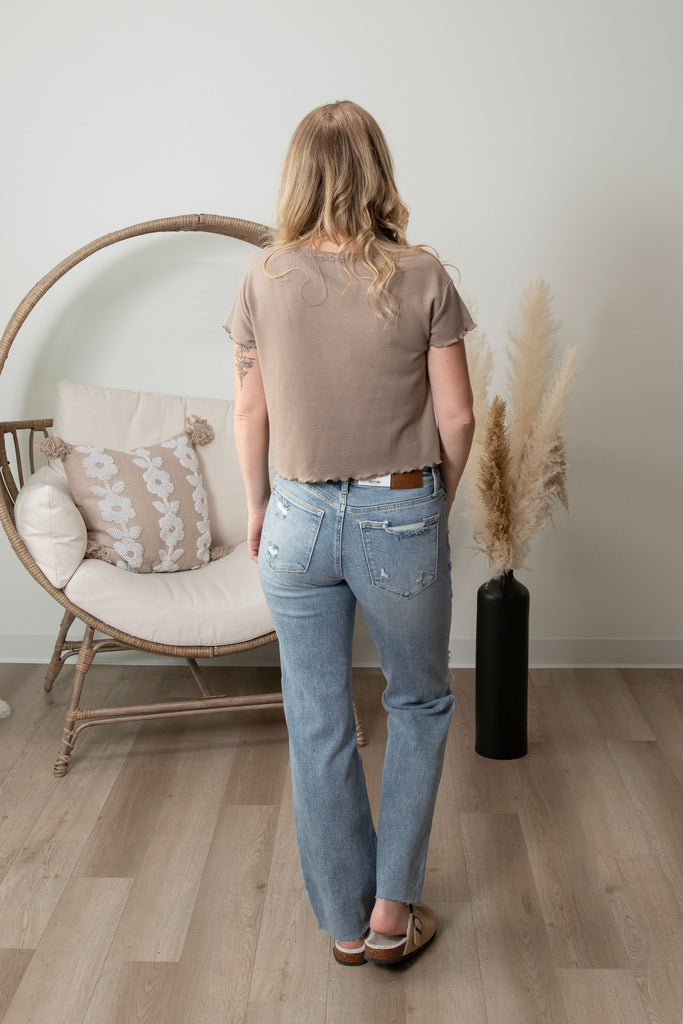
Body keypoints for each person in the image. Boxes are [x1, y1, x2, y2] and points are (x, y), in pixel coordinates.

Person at [224, 100, 476, 966]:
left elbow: (248, 410)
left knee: (317, 719)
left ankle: (342, 926)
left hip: (293, 516)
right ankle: (390, 918)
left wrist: (257, 506)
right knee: (417, 702)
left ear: (299, 174)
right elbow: (458, 418)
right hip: (397, 508)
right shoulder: (423, 275)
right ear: (377, 170)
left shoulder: (263, 277)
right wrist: (432, 503)